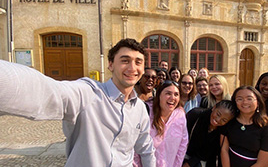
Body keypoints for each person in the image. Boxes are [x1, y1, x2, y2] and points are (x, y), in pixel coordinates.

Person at [0, 38, 156, 167]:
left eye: (138, 62)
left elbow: (145, 148)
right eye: (125, 60)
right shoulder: (88, 94)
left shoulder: (140, 109)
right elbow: (48, 91)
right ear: (110, 64)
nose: (132, 67)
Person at [134, 80, 189, 167]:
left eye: (176, 94)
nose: (172, 98)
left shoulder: (180, 115)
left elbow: (183, 144)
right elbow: (135, 145)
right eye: (168, 93)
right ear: (159, 95)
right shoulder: (145, 112)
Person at [221, 86, 268, 167]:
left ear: (257, 102)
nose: (245, 102)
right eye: (240, 99)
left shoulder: (266, 126)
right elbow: (224, 149)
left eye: (249, 98)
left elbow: (263, 163)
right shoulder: (229, 121)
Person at [183, 100, 237, 167]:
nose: (218, 119)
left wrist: (189, 164)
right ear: (214, 108)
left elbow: (208, 152)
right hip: (184, 153)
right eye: (218, 114)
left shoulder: (223, 132)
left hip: (203, 160)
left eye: (224, 120)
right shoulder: (195, 115)